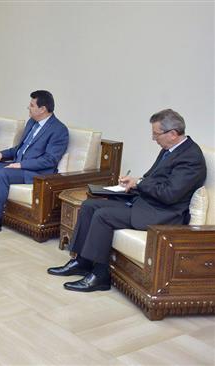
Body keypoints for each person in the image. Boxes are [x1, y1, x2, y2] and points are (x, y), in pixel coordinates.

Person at [47, 109, 206, 292]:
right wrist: (134, 183)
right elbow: (153, 179)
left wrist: (139, 183)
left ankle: (100, 276)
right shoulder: (170, 149)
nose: (154, 139)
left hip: (162, 214)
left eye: (156, 134)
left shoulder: (191, 158)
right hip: (145, 202)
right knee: (89, 205)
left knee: (103, 215)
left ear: (172, 134)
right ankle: (81, 261)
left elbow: (170, 194)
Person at [0, 90, 69, 235]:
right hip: (17, 165)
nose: (28, 107)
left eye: (32, 105)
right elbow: (19, 148)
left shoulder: (59, 130)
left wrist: (21, 165)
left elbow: (50, 160)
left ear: (42, 109)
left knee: (2, 174)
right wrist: (0, 154)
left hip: (35, 173)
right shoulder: (31, 123)